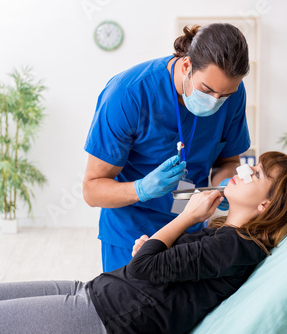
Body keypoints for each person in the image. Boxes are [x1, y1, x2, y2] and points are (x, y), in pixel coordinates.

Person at [0, 152, 287, 334]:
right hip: (101, 291)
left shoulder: (240, 246)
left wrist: (182, 219)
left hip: (106, 317)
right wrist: (157, 245)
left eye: (256, 174)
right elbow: (160, 264)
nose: (243, 169)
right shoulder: (227, 230)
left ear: (267, 205)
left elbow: (149, 266)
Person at [83, 23, 253, 272]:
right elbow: (92, 190)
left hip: (189, 226)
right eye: (207, 90)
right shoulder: (128, 94)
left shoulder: (232, 93)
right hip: (131, 231)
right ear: (186, 66)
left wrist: (225, 186)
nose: (216, 102)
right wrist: (142, 189)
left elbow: (228, 161)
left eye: (225, 95)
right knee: (129, 306)